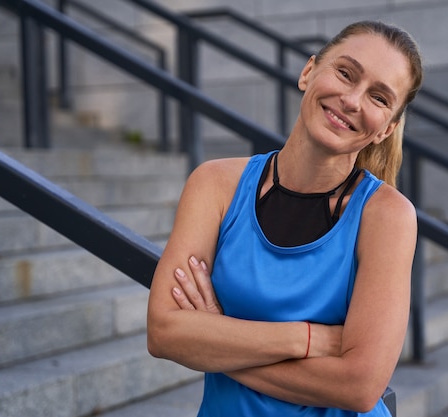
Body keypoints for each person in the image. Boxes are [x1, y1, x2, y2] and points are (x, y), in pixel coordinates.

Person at [147, 20, 423, 417]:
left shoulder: (387, 216)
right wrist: (308, 339)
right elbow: (164, 332)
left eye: (379, 98)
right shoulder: (216, 185)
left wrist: (218, 338)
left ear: (387, 129)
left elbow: (360, 387)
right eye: (345, 73)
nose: (352, 100)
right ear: (308, 72)